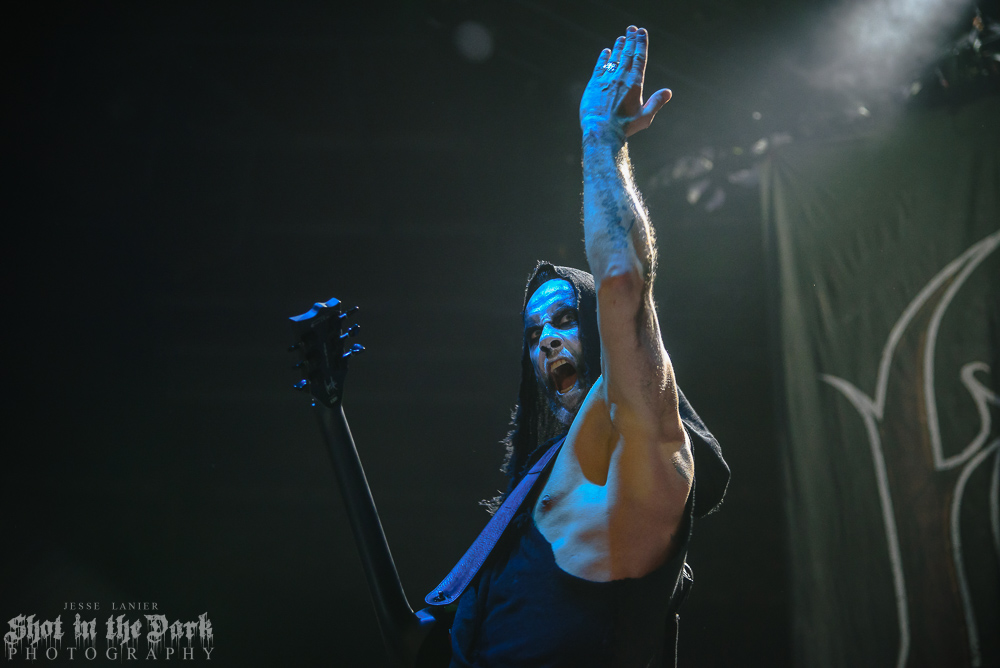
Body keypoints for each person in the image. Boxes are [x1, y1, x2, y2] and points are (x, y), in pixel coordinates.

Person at [440, 26, 730, 668]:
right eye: (532, 335)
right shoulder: (538, 493)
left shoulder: (646, 454)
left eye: (565, 319)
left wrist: (601, 139)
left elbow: (623, 282)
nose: (545, 342)